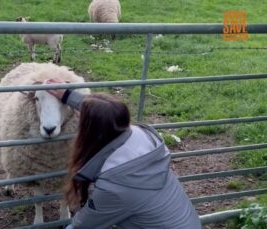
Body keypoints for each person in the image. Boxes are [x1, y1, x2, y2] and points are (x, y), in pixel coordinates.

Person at [46, 79, 202, 229]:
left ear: (90, 133)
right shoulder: (142, 138)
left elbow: (83, 225)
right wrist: (67, 95)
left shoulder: (114, 188)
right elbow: (106, 114)